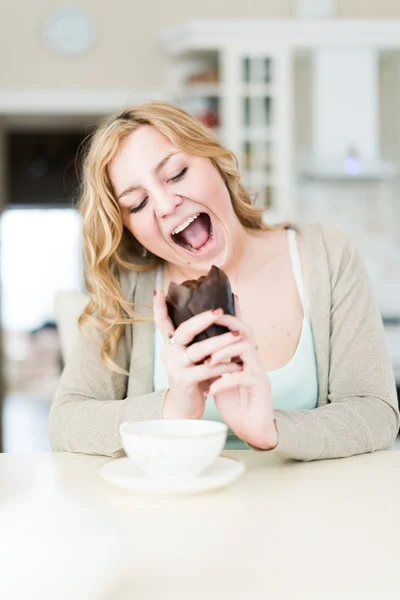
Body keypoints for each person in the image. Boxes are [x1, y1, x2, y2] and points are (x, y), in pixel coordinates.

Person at [49, 101, 400, 460]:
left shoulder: (327, 254)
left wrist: (273, 430)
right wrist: (170, 410)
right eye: (137, 204)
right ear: (129, 228)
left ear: (214, 159)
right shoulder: (129, 288)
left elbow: (375, 411)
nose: (165, 204)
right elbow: (65, 422)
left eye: (176, 173)